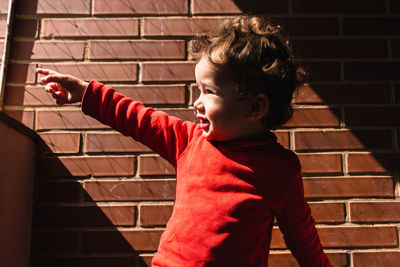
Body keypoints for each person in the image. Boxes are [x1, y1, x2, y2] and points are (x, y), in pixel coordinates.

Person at [37, 16, 331, 267]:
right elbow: (139, 118)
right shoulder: (189, 141)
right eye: (197, 90)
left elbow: (301, 236)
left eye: (209, 92)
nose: (197, 103)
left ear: (255, 108)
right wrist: (85, 92)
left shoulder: (280, 170)